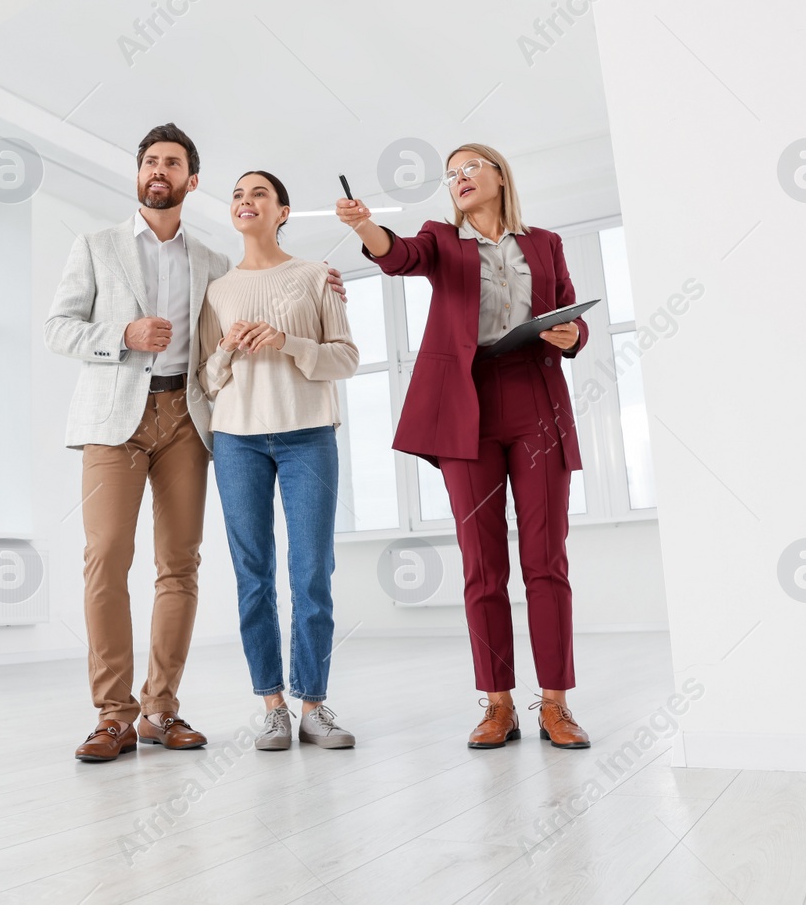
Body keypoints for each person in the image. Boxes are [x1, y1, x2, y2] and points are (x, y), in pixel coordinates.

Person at [45, 124, 345, 763]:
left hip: (189, 415)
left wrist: (321, 285)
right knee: (105, 558)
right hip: (114, 421)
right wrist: (124, 333)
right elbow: (58, 329)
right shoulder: (96, 246)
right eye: (150, 161)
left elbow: (257, 309)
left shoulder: (213, 262)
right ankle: (112, 716)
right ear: (138, 174)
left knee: (180, 566)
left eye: (172, 163)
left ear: (190, 180)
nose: (159, 171)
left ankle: (160, 710)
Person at [334, 143, 593, 750]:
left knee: (547, 561)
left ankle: (555, 703)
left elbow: (572, 316)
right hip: (466, 410)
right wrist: (364, 225)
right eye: (450, 175)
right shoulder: (441, 239)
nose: (459, 179)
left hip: (536, 401)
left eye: (470, 167)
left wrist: (571, 331)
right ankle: (497, 704)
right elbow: (398, 257)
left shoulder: (545, 242)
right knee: (482, 565)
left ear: (500, 175)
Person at [197, 170, 360, 751]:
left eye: (258, 194)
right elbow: (207, 379)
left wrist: (286, 342)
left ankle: (313, 704)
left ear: (283, 211)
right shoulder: (217, 290)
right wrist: (227, 349)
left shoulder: (316, 277)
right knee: (253, 573)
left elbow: (346, 358)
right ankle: (271, 704)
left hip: (308, 435)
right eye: (237, 195)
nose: (245, 202)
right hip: (237, 440)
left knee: (312, 570)